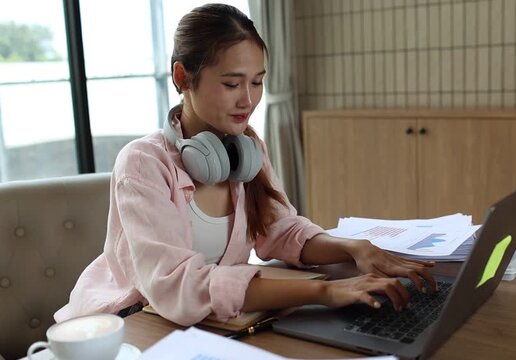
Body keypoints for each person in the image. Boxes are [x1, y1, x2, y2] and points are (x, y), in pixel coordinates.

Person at [54, 3, 437, 327]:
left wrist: (354, 248)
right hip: (127, 325)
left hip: (207, 324)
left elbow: (280, 231)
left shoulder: (246, 147)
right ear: (182, 77)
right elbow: (180, 287)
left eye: (257, 82)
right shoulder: (142, 164)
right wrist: (325, 290)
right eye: (232, 83)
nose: (248, 100)